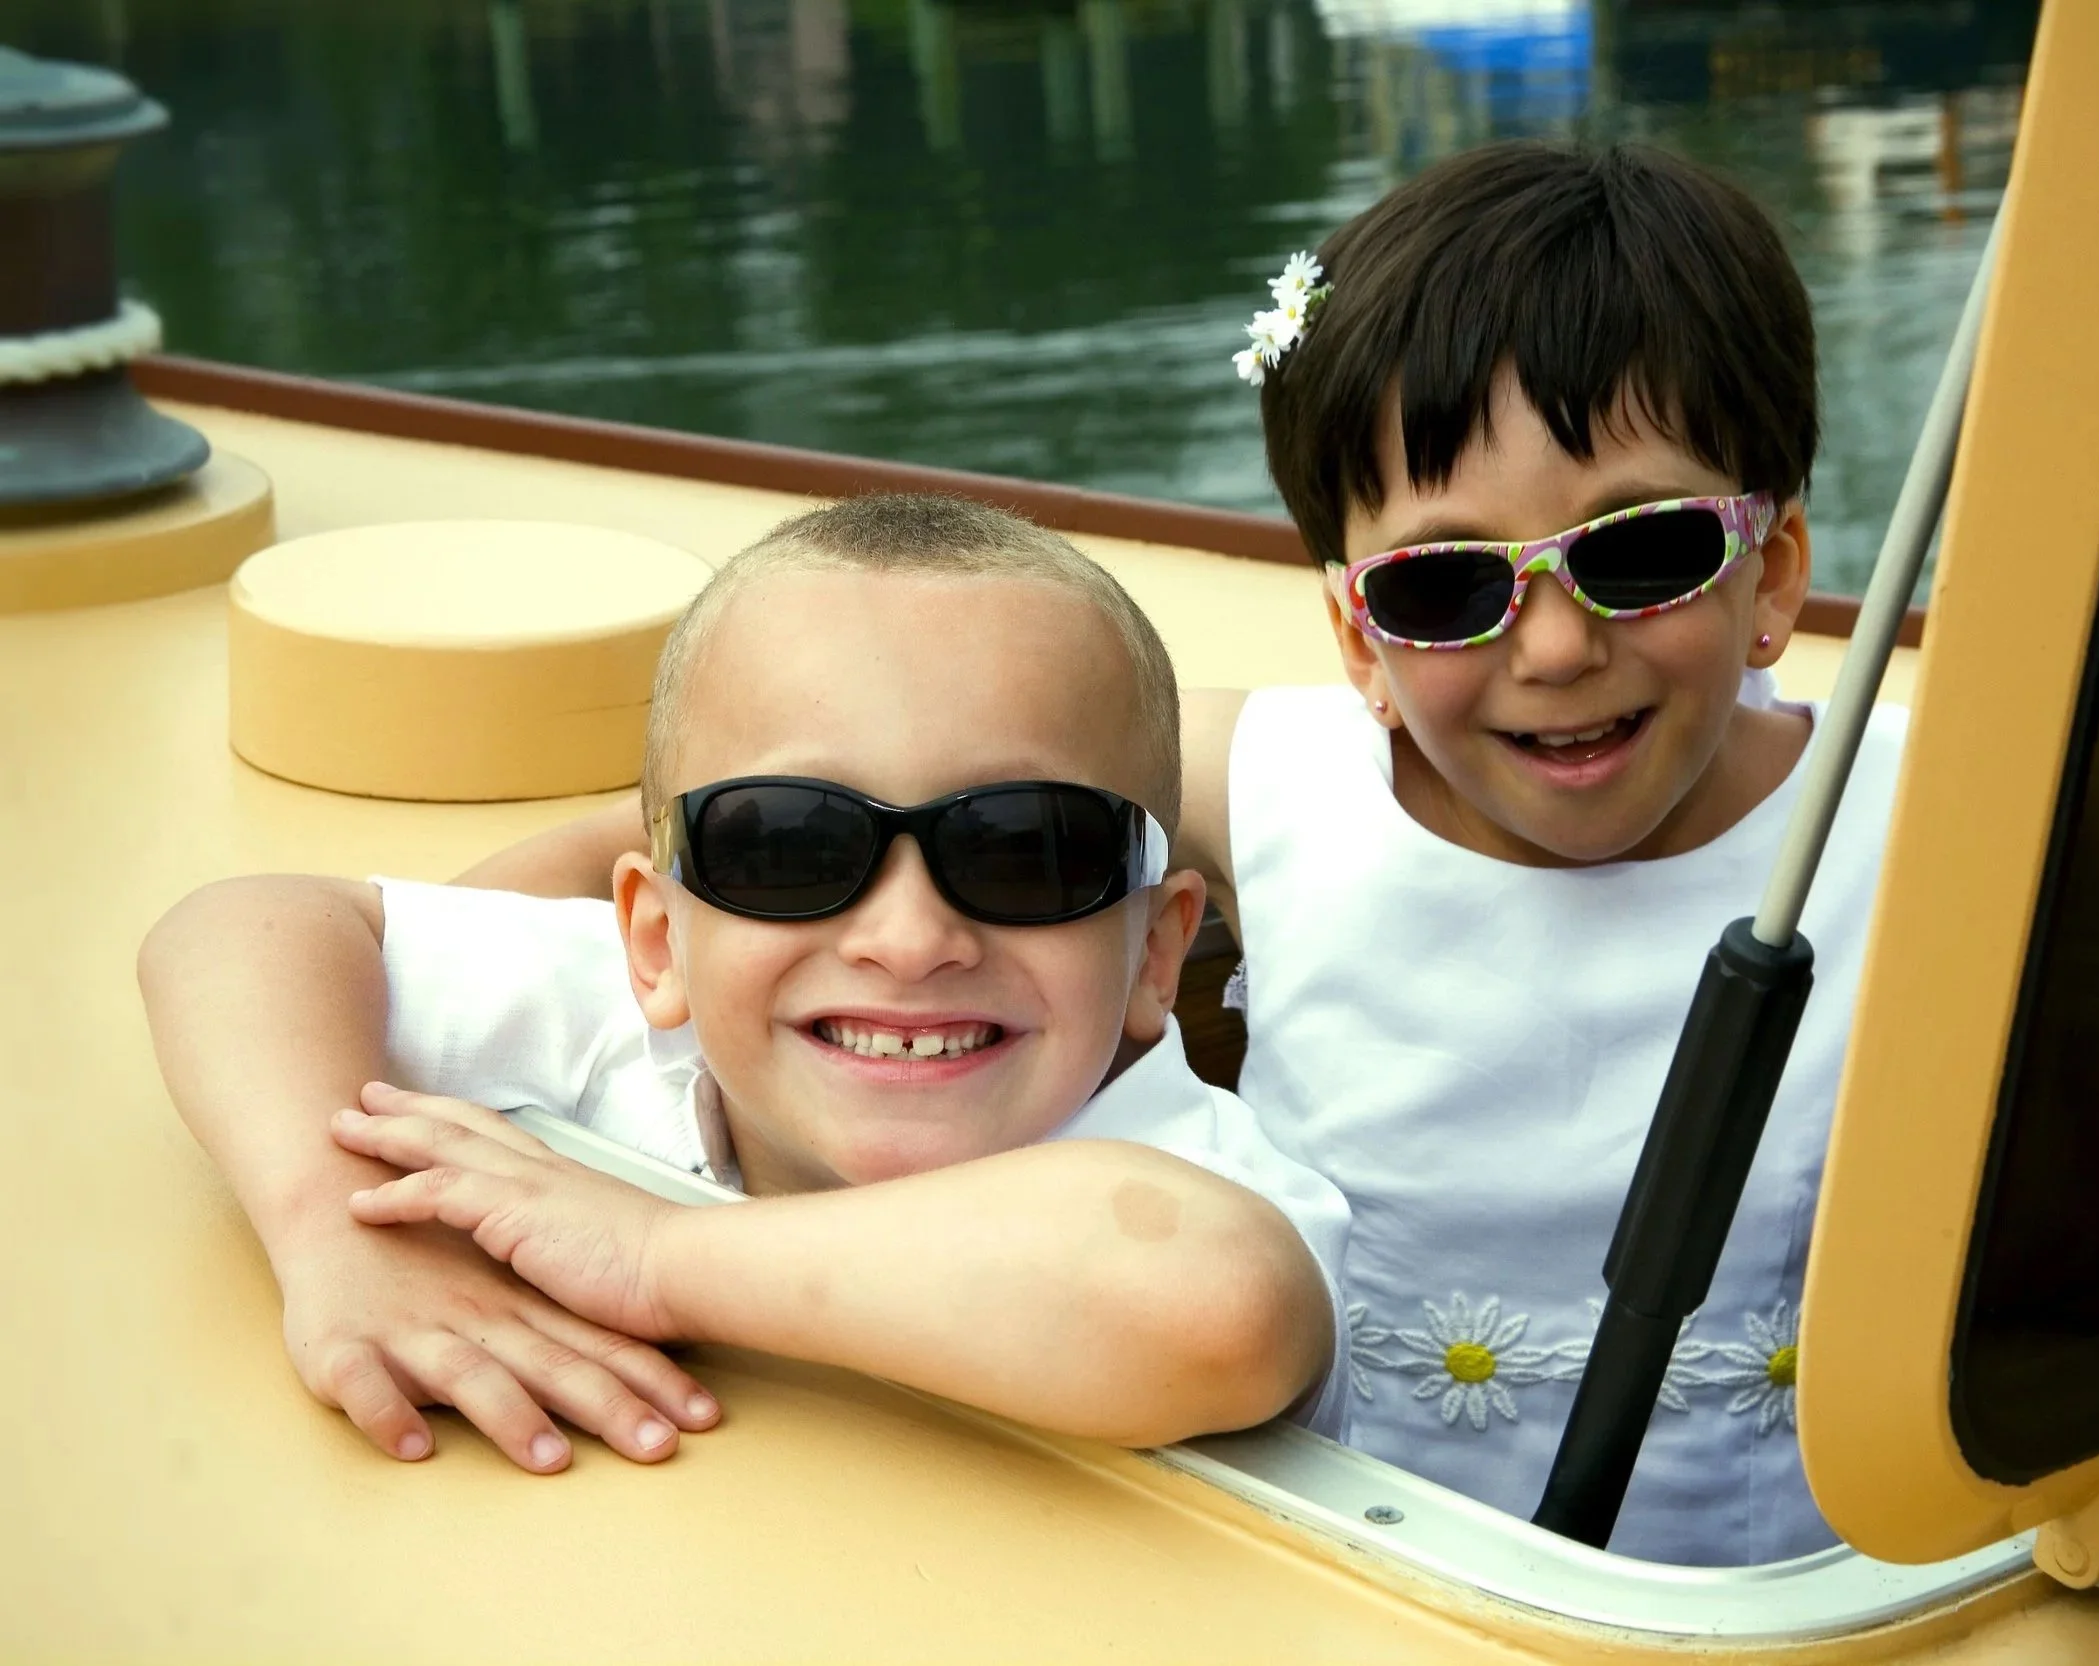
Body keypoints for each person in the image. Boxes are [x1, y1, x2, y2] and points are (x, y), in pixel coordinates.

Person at [457, 140, 1906, 1566]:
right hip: (1318, 1562)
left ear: (1775, 572)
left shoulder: (1920, 821)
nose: (1556, 648)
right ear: (1357, 635)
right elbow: (698, 836)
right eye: (1442, 584)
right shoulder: (1280, 779)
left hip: (1778, 1584)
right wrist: (396, 1179)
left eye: (1642, 552)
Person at [139, 495, 1350, 1476]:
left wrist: (658, 1256)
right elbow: (241, 927)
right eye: (788, 844)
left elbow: (1218, 1305)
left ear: (1155, 951)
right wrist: (332, 1226)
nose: (909, 938)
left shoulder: (1198, 1177)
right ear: (656, 942)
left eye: (1024, 847)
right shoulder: (633, 1032)